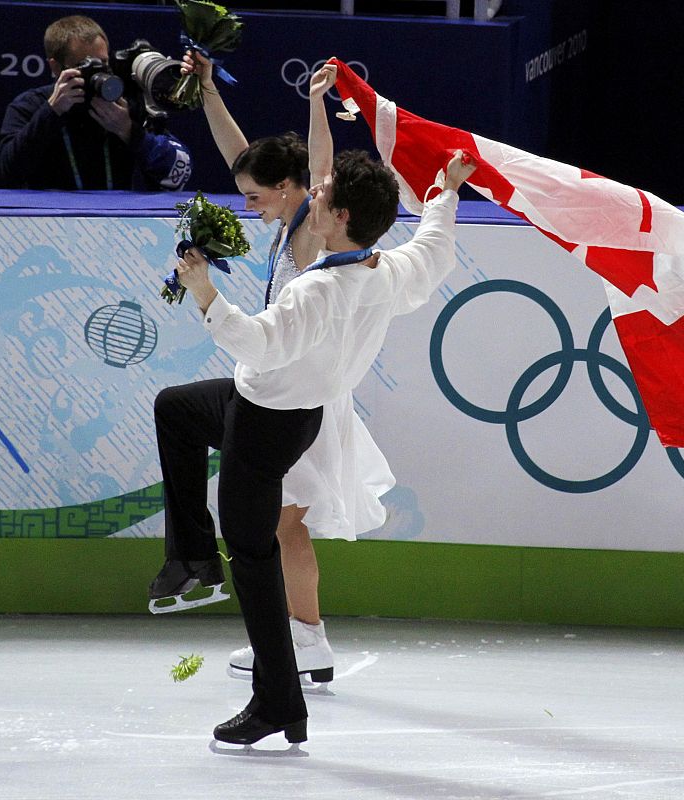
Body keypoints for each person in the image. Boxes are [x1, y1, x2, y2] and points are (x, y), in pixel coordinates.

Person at [148, 61, 476, 745]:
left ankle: (280, 700)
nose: (314, 199)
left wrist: (203, 288)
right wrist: (444, 192)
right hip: (271, 406)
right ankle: (192, 561)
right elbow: (435, 244)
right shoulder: (391, 271)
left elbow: (255, 344)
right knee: (176, 410)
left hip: (269, 421)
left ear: (338, 216)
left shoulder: (315, 290)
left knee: (259, 551)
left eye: (323, 199)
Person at [177, 53, 395, 686]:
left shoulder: (308, 224)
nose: (247, 206)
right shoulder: (284, 217)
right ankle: (305, 641)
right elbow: (243, 156)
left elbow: (319, 164)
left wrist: (316, 104)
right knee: (282, 526)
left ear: (292, 190)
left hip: (301, 398)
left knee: (281, 526)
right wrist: (211, 93)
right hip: (292, 389)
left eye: (254, 196)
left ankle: (305, 641)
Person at [0, 15, 191, 191]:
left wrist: (130, 132)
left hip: (120, 221)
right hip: (50, 220)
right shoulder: (30, 106)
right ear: (56, 67)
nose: (99, 76)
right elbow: (9, 172)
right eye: (86, 66)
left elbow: (177, 172)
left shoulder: (122, 106)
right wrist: (51, 112)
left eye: (103, 64)